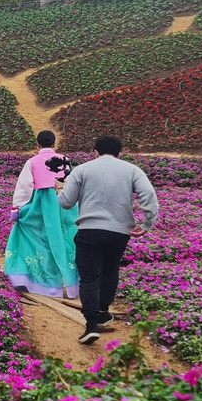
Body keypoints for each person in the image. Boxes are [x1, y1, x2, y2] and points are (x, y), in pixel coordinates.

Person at [58, 135, 159, 344]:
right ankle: (103, 312)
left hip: (89, 230)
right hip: (119, 232)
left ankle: (91, 325)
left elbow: (66, 203)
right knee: (110, 270)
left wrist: (58, 188)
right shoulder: (132, 170)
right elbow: (149, 195)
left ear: (95, 152)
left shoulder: (82, 170)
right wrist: (147, 223)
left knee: (89, 277)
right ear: (119, 154)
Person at [4, 130, 79, 298]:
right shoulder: (64, 160)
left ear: (37, 145)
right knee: (64, 240)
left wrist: (17, 210)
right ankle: (70, 283)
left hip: (40, 205)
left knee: (37, 240)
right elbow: (71, 184)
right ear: (54, 143)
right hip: (61, 204)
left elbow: (24, 187)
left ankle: (38, 281)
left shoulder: (32, 162)